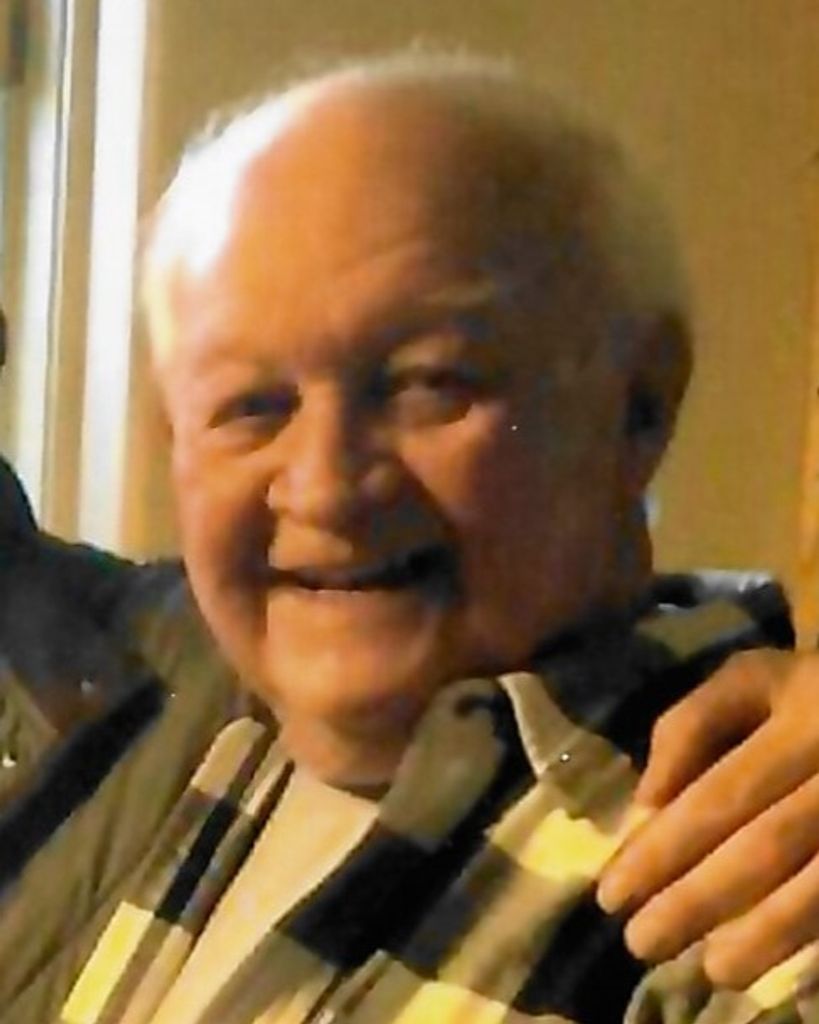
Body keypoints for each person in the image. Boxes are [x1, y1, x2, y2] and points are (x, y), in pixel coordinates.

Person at [3, 51, 819, 1023]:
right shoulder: (152, 685)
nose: (326, 487)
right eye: (252, 405)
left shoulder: (756, 865)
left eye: (429, 383)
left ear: (637, 404)